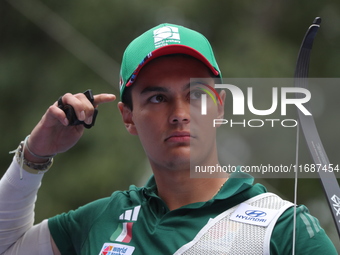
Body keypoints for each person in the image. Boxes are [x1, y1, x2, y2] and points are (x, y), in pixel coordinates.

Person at [0, 23, 337, 255]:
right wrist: (34, 155)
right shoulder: (101, 219)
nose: (179, 112)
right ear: (128, 116)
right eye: (158, 98)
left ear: (219, 106)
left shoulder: (283, 228)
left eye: (195, 94)